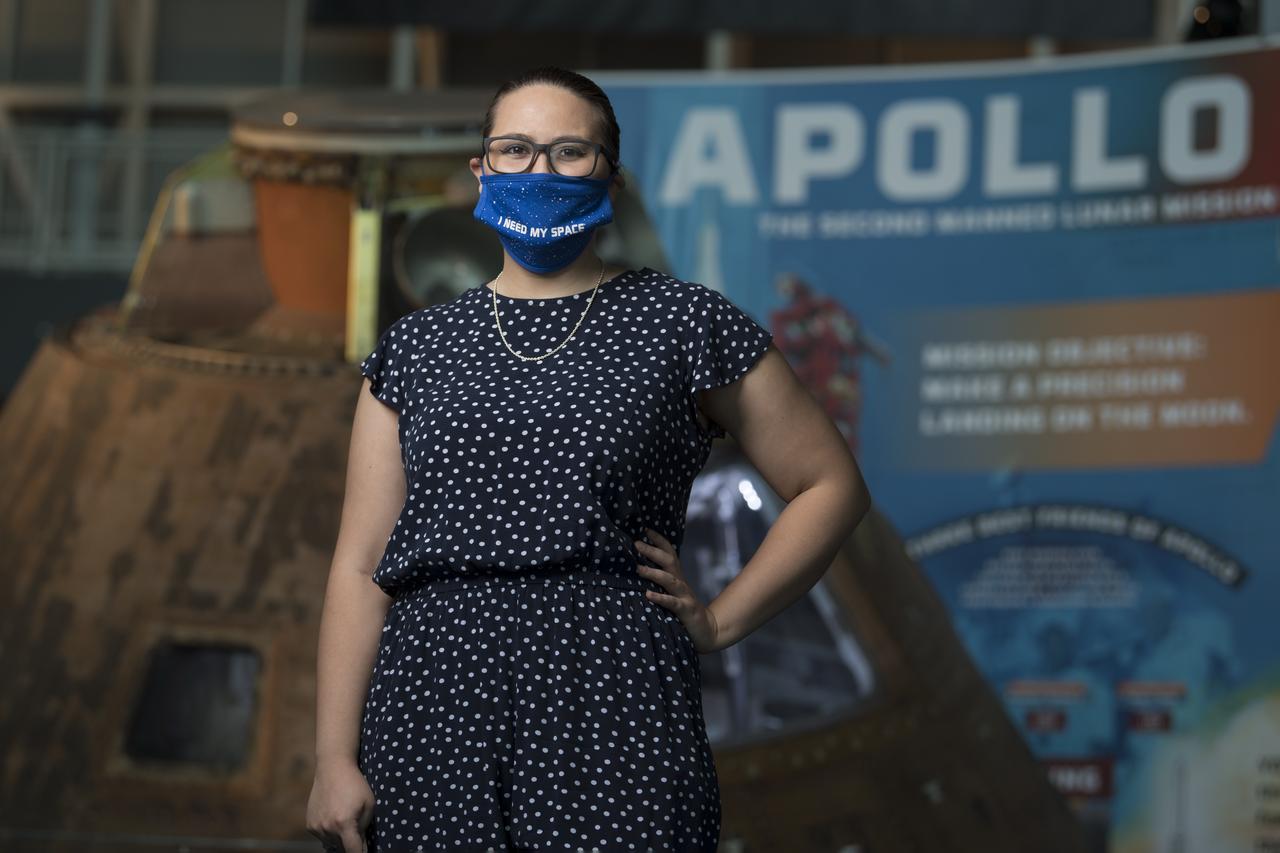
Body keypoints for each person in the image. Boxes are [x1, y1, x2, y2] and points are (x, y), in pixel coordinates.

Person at [306, 66, 870, 853]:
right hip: (431, 701)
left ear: (610, 172)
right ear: (482, 169)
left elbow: (830, 484)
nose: (539, 171)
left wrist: (720, 618)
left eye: (570, 151)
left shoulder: (683, 322)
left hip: (612, 687)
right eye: (516, 149)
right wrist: (334, 756)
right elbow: (361, 566)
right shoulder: (415, 348)